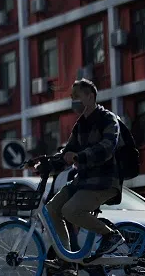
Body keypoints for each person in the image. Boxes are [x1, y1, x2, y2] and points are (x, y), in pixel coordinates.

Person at [42, 79, 125, 261]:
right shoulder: (80, 124)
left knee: (70, 211)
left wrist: (80, 156)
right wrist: (44, 163)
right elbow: (67, 153)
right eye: (72, 97)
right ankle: (66, 257)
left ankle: (111, 235)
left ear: (90, 96)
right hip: (83, 181)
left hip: (104, 181)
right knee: (52, 209)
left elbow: (107, 146)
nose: (73, 101)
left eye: (76, 96)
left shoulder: (108, 119)